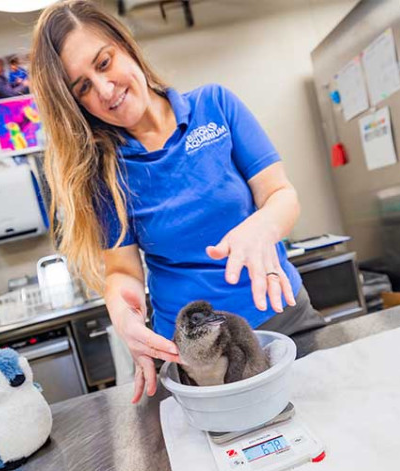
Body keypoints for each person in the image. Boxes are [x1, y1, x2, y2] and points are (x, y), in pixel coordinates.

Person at [30, 0, 324, 403]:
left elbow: (280, 195)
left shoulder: (216, 106)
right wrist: (120, 307)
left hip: (284, 317)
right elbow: (122, 270)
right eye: (82, 88)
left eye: (103, 63)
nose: (104, 89)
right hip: (198, 357)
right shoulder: (106, 173)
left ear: (125, 44)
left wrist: (263, 225)